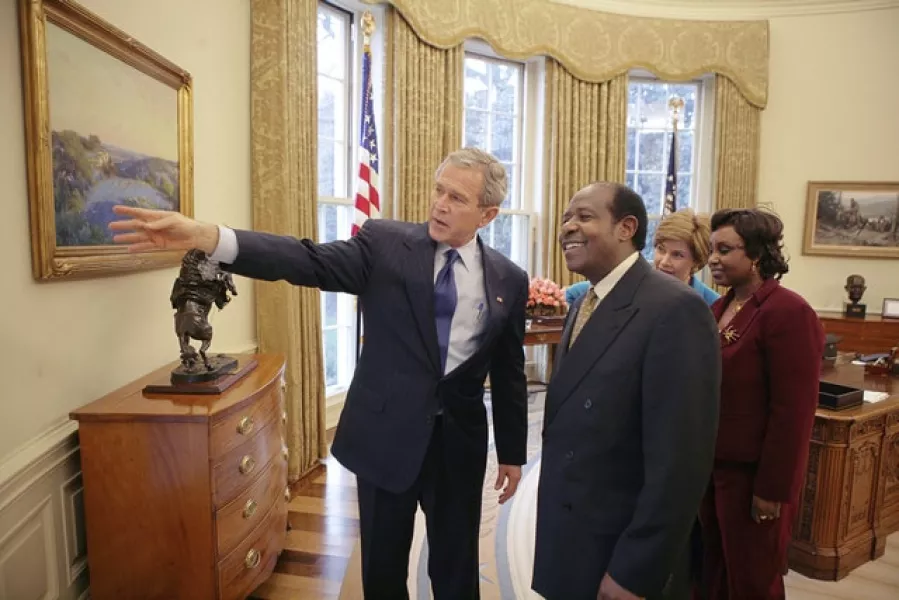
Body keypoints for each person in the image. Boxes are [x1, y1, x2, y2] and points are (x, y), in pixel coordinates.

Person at [109, 147, 530, 600]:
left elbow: (508, 372)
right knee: (383, 569)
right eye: (438, 189)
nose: (439, 204)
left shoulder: (509, 278)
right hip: (385, 438)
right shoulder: (386, 244)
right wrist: (210, 236)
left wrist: (511, 451)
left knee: (456, 570)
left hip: (458, 448)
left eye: (457, 198)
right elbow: (304, 259)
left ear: (487, 215)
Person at [532, 182, 721, 600]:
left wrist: (635, 570)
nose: (567, 228)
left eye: (583, 217)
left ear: (626, 227)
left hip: (620, 555)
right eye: (566, 218)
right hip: (574, 540)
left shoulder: (676, 309)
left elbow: (681, 464)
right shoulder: (586, 302)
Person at [696, 208, 824, 600]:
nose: (713, 258)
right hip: (710, 470)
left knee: (753, 579)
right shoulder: (718, 309)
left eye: (725, 249)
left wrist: (772, 489)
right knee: (712, 572)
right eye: (711, 249)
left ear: (756, 255)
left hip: (753, 479)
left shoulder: (788, 312)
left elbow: (793, 413)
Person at [565, 209, 718, 306]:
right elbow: (571, 294)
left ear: (697, 262)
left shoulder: (712, 305)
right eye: (661, 249)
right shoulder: (630, 283)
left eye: (677, 255)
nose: (664, 261)